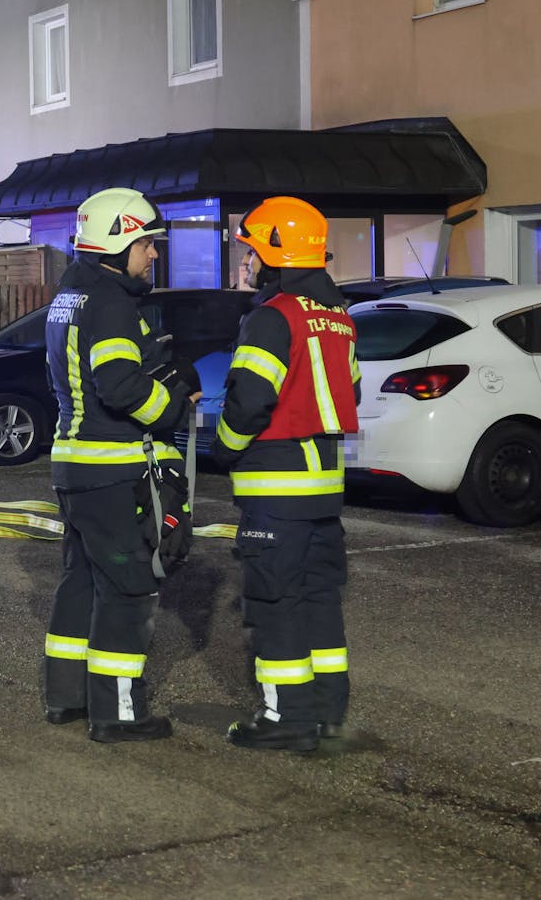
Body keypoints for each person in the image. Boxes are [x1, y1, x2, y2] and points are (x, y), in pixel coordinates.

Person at [41, 187, 200, 744]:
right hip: (110, 469)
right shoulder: (110, 304)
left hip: (74, 465)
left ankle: (66, 698)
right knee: (127, 589)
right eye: (146, 243)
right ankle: (117, 714)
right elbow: (119, 386)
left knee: (80, 582)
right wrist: (174, 409)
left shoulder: (71, 297)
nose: (153, 254)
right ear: (117, 242)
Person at [214, 196, 358, 752]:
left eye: (250, 253)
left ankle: (284, 717)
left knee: (274, 603)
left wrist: (223, 447)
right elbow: (353, 389)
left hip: (276, 491)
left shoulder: (271, 319)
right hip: (325, 492)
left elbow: (249, 402)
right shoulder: (340, 319)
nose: (245, 265)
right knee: (320, 600)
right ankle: (327, 710)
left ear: (277, 254)